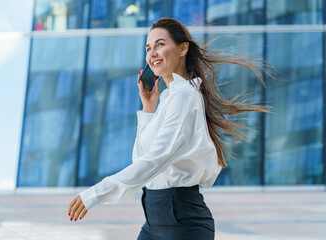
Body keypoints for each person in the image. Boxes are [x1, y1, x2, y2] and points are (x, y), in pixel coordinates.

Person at [68, 18, 273, 240]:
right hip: (156, 221)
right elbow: (142, 159)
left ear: (183, 48)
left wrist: (97, 192)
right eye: (148, 48)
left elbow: (157, 158)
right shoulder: (170, 97)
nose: (152, 53)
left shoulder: (185, 95)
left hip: (182, 224)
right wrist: (148, 109)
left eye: (160, 44)